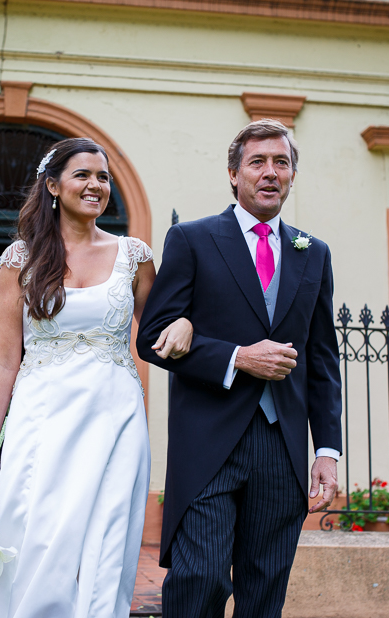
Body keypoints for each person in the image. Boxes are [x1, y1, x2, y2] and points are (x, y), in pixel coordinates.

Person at [0, 137, 194, 617]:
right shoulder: (20, 260)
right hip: (41, 418)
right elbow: (3, 361)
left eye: (103, 177)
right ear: (53, 186)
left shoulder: (134, 256)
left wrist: (186, 322)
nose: (96, 185)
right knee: (37, 538)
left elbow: (157, 330)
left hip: (115, 417)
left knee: (107, 544)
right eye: (83, 175)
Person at [136, 119, 343, 618]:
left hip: (282, 447)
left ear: (292, 176)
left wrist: (328, 451)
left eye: (281, 163)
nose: (270, 172)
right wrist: (236, 357)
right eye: (258, 162)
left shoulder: (313, 253)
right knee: (199, 578)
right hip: (209, 441)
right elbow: (152, 339)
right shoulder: (192, 239)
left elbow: (322, 359)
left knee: (265, 587)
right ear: (234, 174)